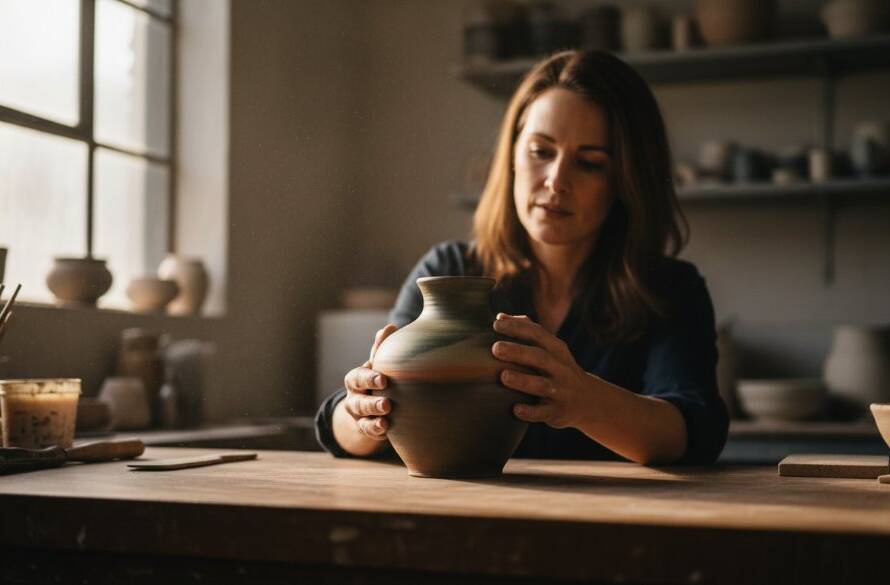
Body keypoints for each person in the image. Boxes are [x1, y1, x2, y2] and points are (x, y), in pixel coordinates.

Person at [315, 49, 728, 465]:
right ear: (511, 156)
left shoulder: (669, 289)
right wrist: (361, 412)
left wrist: (585, 400)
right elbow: (345, 422)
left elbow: (693, 432)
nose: (556, 181)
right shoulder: (450, 271)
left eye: (589, 163)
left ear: (627, 179)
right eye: (540, 151)